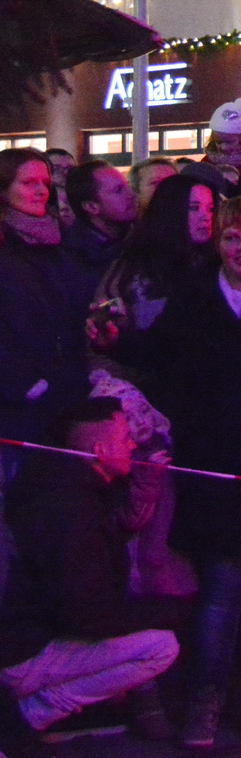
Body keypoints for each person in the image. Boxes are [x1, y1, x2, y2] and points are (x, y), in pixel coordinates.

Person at [101, 197, 241, 746]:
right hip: (215, 467)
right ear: (218, 244)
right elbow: (160, 355)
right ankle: (207, 696)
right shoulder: (196, 297)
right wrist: (117, 339)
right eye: (232, 239)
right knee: (221, 589)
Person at [0, 398, 181, 758]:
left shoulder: (69, 489)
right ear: (99, 450)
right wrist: (168, 611)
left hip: (23, 641)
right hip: (22, 652)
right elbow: (85, 613)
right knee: (161, 646)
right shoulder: (70, 507)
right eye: (125, 437)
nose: (133, 445)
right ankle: (25, 718)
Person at [0, 149, 90, 602]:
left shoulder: (54, 243)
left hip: (59, 398)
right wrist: (25, 383)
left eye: (44, 182)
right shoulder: (8, 249)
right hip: (17, 412)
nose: (40, 191)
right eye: (28, 183)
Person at [94, 174, 218, 343]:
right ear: (172, 210)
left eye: (210, 208)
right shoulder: (133, 267)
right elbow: (104, 322)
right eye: (194, 208)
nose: (206, 216)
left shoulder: (218, 263)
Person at [61, 161, 139, 309]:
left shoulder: (141, 242)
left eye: (127, 186)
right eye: (118, 190)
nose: (131, 195)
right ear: (91, 207)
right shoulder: (70, 258)